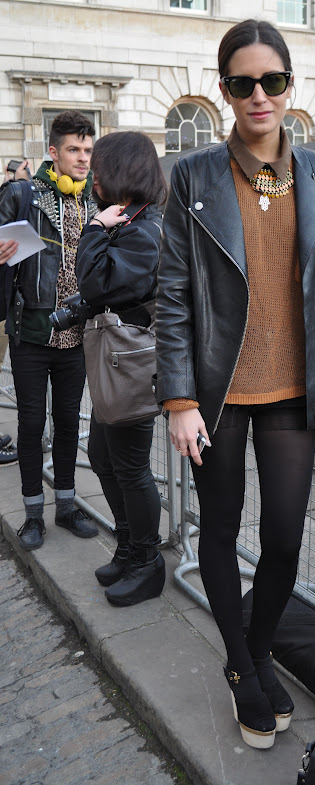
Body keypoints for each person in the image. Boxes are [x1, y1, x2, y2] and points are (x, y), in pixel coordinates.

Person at [156, 19, 315, 749]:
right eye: (243, 83)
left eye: (271, 80)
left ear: (289, 85)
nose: (259, 95)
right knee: (219, 527)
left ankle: (260, 648)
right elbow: (172, 293)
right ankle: (242, 667)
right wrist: (179, 398)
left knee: (284, 537)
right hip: (216, 391)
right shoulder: (195, 175)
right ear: (225, 91)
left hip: (293, 387)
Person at [75, 131, 166, 607]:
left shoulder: (142, 229)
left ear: (122, 171)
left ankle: (148, 562)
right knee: (104, 457)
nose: (93, 177)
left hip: (132, 363)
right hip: (117, 361)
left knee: (129, 466)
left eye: (100, 168)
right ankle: (130, 548)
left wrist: (93, 228)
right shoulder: (131, 221)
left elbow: (97, 284)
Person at [0, 111, 98, 551]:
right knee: (31, 424)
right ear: (54, 152)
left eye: (88, 150)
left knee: (67, 423)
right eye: (74, 149)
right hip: (32, 332)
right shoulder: (23, 194)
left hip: (78, 336)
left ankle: (67, 505)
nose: (82, 158)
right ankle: (33, 513)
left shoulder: (94, 201)